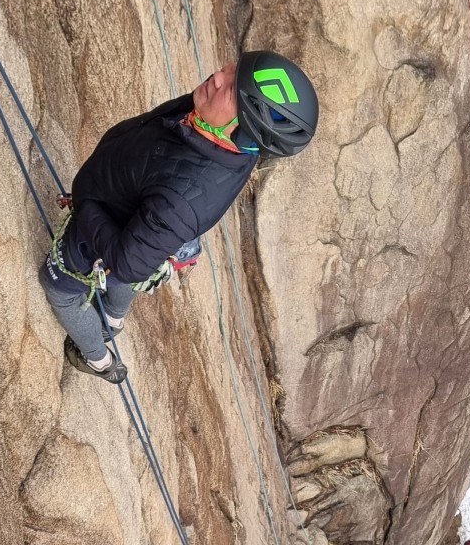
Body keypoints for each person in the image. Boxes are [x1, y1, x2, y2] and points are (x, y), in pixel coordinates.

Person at [39, 51, 319, 382]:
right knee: (126, 271)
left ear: (242, 131)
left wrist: (85, 203)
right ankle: (113, 318)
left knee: (59, 291)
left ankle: (98, 359)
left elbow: (128, 264)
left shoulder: (182, 200)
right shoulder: (221, 135)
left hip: (97, 239)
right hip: (126, 214)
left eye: (229, 89)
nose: (217, 77)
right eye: (230, 70)